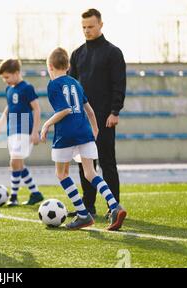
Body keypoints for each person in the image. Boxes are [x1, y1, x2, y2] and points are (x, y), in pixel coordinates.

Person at [40, 47, 126, 230]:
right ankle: (114, 206)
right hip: (85, 132)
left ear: (50, 66)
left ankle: (83, 214)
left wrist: (47, 124)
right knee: (91, 173)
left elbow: (64, 110)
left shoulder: (53, 85)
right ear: (69, 66)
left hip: (66, 134)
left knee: (61, 174)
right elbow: (90, 110)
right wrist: (94, 129)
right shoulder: (76, 83)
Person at [68, 8, 126, 218]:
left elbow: (119, 84)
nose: (87, 30)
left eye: (91, 26)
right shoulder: (77, 54)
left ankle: (114, 207)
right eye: (83, 27)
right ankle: (88, 207)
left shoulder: (113, 53)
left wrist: (115, 111)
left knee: (107, 163)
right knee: (85, 163)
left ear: (101, 24)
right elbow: (71, 86)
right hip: (82, 120)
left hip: (105, 119)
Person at [0, 59, 44, 206]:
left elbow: (37, 109)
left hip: (25, 130)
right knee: (17, 164)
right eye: (3, 78)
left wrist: (35, 131)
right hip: (12, 130)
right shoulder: (9, 89)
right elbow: (8, 109)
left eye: (7, 77)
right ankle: (35, 193)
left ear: (16, 73)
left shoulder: (27, 88)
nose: (5, 80)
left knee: (14, 161)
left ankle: (13, 197)